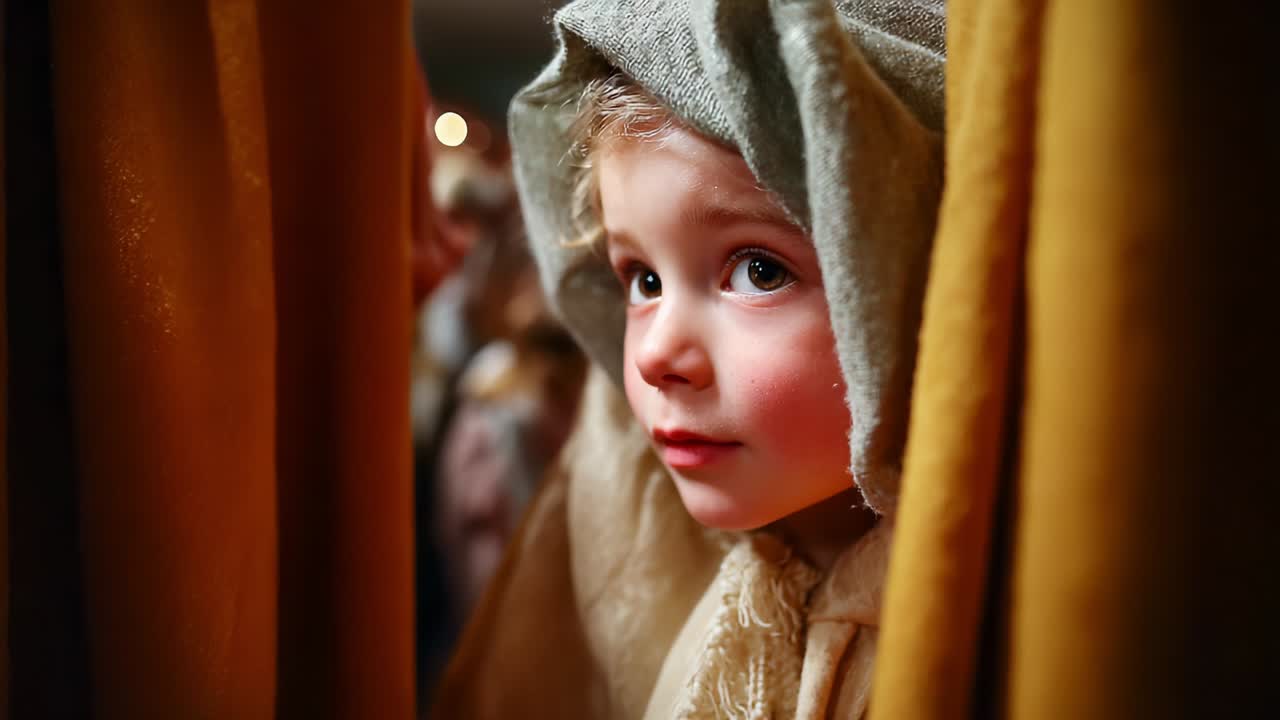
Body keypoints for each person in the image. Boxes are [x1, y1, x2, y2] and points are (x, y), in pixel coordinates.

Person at [432, 1, 945, 717]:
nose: (653, 357)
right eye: (641, 278)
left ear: (919, 272)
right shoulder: (620, 567)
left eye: (760, 271)